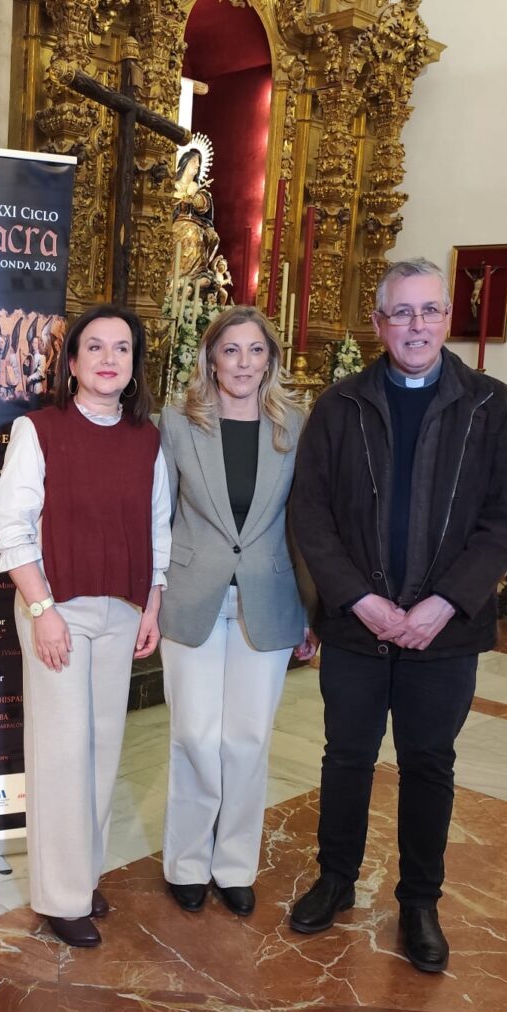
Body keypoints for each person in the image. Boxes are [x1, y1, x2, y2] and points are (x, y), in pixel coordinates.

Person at [287, 258, 507, 974]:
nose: (416, 325)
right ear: (379, 323)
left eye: (428, 311)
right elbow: (312, 512)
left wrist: (443, 602)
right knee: (347, 756)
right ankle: (335, 878)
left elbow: (504, 519)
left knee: (428, 763)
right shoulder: (340, 405)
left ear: (447, 318)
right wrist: (358, 599)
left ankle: (420, 900)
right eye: (402, 312)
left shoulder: (492, 405)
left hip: (445, 629)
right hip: (357, 624)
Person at [0, 303, 169, 949]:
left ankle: (82, 873)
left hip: (121, 608)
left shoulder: (148, 438)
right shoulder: (39, 430)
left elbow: (157, 528)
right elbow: (9, 527)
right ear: (71, 362)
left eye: (121, 348)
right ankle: (60, 897)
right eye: (95, 347)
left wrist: (151, 606)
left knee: (100, 748)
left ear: (134, 363)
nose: (108, 358)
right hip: (55, 607)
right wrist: (42, 612)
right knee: (61, 754)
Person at [157, 307, 317, 918]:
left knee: (248, 740)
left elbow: (305, 527)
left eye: (255, 351)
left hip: (268, 600)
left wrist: (313, 612)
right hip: (192, 597)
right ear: (211, 358)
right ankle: (187, 863)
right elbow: (159, 516)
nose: (243, 363)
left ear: (270, 360)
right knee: (195, 735)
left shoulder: (295, 428)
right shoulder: (176, 424)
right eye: (231, 350)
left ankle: (234, 866)